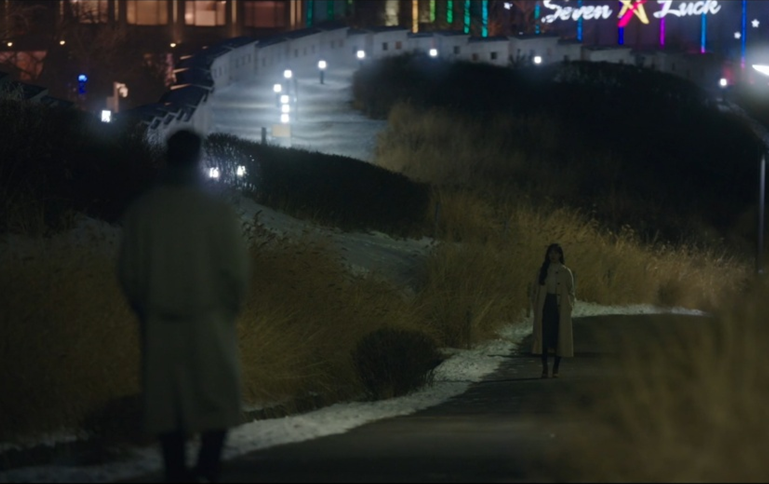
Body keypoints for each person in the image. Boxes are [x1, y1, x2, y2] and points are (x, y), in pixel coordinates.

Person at [117, 129, 250, 483]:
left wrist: (142, 307)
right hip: (210, 318)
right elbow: (236, 271)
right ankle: (208, 465)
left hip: (160, 320)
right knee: (215, 397)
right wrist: (230, 308)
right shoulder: (216, 211)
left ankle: (176, 471)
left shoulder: (144, 210)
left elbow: (129, 271)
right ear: (197, 158)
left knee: (166, 403)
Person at [530, 243, 575, 379]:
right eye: (551, 253)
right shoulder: (543, 270)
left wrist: (569, 305)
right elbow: (534, 289)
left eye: (556, 253)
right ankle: (545, 368)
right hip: (545, 306)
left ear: (560, 255)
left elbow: (571, 291)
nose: (553, 255)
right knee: (544, 337)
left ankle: (556, 368)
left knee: (559, 337)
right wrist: (536, 304)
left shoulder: (566, 271)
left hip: (560, 306)